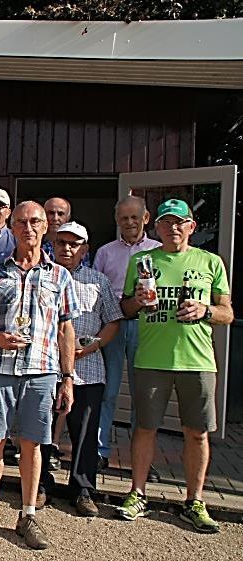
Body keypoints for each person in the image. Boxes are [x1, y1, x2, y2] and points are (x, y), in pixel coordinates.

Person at [0, 201, 79, 550]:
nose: (28, 228)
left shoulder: (60, 275)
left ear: (46, 227)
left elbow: (66, 330)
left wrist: (68, 377)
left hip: (41, 373)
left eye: (35, 222)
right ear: (11, 227)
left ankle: (28, 515)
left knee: (32, 444)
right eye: (21, 222)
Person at [115, 199, 233, 533]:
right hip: (151, 359)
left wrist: (205, 310)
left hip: (197, 360)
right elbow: (125, 310)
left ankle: (194, 501)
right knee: (144, 429)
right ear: (157, 227)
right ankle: (137, 493)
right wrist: (136, 300)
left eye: (180, 222)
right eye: (167, 223)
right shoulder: (143, 261)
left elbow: (228, 313)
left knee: (197, 433)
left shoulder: (210, 262)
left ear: (191, 227)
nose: (173, 228)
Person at [46, 222, 122, 517]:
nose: (67, 248)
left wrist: (93, 346)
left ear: (85, 250)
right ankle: (41, 484)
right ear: (53, 245)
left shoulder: (98, 281)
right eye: (62, 242)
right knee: (42, 430)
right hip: (47, 368)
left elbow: (113, 320)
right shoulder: (42, 277)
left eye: (74, 244)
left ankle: (82, 489)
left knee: (86, 431)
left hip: (88, 368)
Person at [93, 195, 162, 476]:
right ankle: (99, 451)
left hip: (145, 325)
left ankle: (140, 455)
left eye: (135, 217)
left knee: (141, 392)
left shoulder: (158, 251)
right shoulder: (105, 252)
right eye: (124, 218)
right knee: (106, 390)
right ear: (117, 220)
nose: (130, 222)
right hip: (114, 323)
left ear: (145, 218)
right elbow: (95, 291)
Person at [42, 196, 89, 266]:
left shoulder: (79, 247)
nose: (55, 218)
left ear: (68, 217)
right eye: (51, 213)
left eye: (60, 214)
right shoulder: (34, 243)